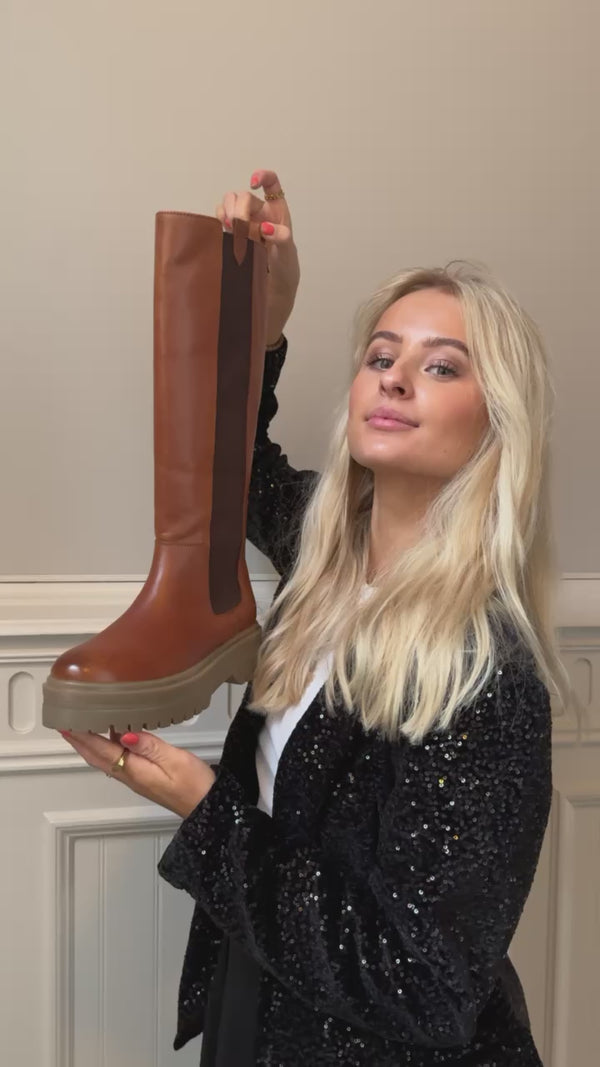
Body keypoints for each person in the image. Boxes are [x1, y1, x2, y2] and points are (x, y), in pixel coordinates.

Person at [61, 168, 572, 1066]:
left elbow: (424, 987)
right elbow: (231, 468)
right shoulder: (322, 548)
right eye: (381, 356)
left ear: (498, 421)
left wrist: (201, 808)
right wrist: (266, 316)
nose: (396, 379)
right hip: (257, 985)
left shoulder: (488, 674)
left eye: (441, 366)